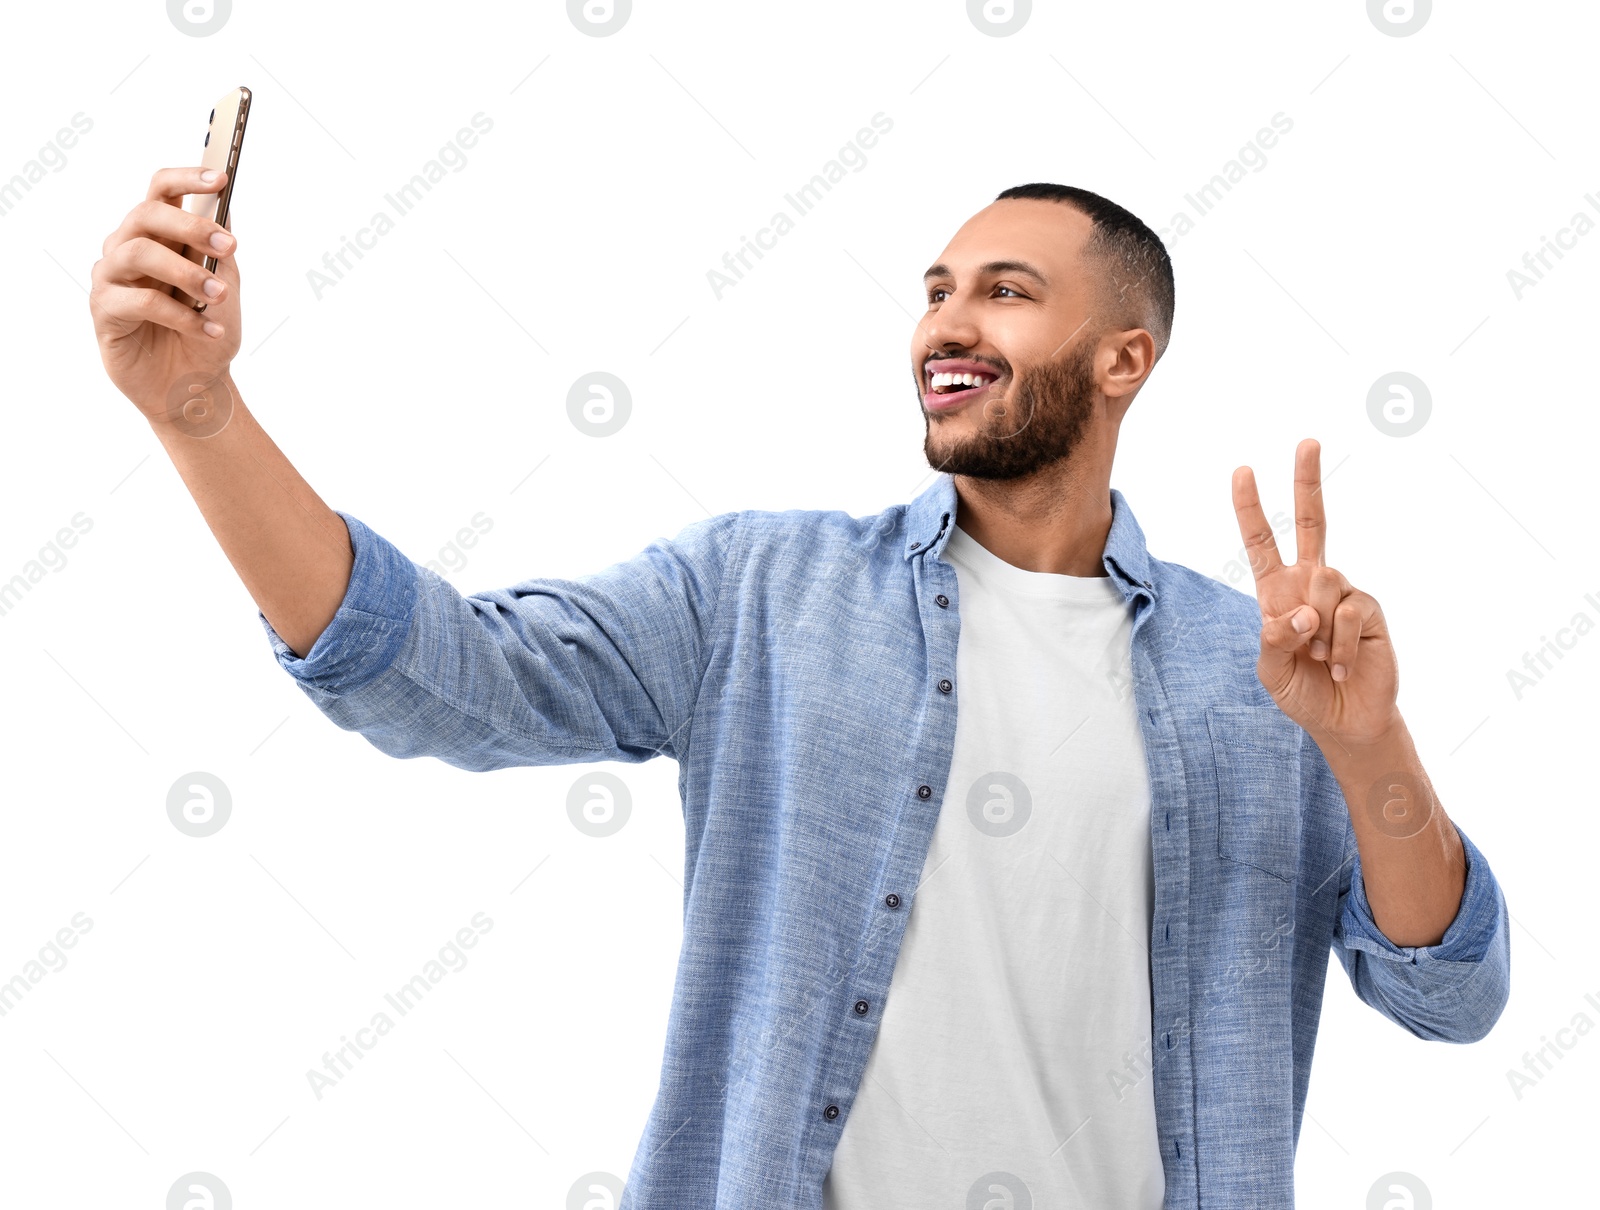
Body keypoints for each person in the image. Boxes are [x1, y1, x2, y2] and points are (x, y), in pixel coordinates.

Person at [90, 177, 1510, 1208]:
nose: (946, 324)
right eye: (937, 290)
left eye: (1006, 292)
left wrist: (1369, 742)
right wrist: (197, 411)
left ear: (1125, 356)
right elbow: (438, 677)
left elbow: (1451, 995)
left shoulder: (1255, 668)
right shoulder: (761, 593)